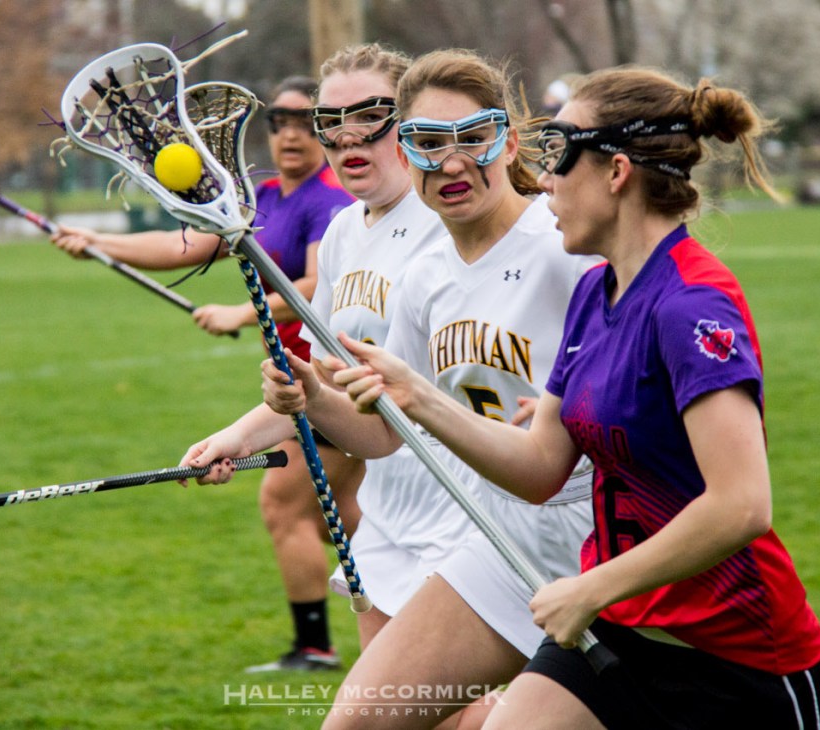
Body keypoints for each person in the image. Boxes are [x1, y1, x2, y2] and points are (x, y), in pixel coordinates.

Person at [329, 67, 820, 729]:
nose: (544, 180)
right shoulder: (596, 294)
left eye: (560, 155)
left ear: (616, 172)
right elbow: (540, 468)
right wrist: (416, 396)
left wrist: (590, 588)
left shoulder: (691, 305)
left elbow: (742, 505)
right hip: (619, 622)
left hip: (732, 654)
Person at [197, 49, 599, 727]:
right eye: (429, 142)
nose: (451, 162)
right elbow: (384, 422)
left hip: (556, 526)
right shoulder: (414, 265)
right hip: (457, 525)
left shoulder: (561, 245)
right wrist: (303, 400)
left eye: (473, 138)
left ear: (506, 140)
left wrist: (574, 415)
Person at [179, 45, 477, 672]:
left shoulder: (447, 226)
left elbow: (392, 413)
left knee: (405, 707)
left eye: (371, 115)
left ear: (410, 118)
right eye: (331, 121)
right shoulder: (344, 232)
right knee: (415, 709)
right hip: (387, 514)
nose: (348, 137)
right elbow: (320, 385)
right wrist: (233, 438)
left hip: (460, 512)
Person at [53, 76, 366, 672]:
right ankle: (419, 591)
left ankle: (318, 647)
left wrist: (239, 313)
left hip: (328, 379)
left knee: (286, 505)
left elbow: (315, 286)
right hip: (293, 385)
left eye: (305, 122)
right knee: (350, 517)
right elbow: (187, 246)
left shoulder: (330, 202)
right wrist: (97, 240)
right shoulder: (262, 198)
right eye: (280, 122)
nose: (291, 135)